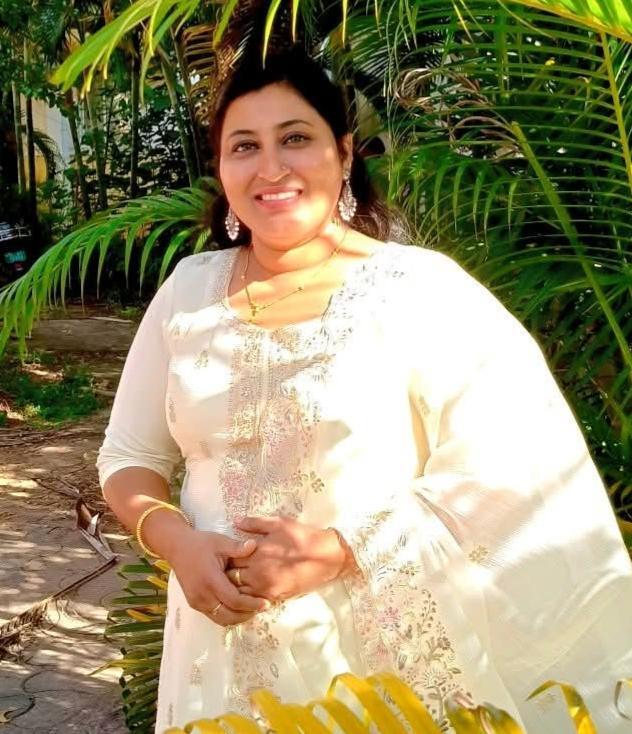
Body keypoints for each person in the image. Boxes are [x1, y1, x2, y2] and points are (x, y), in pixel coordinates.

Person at [96, 47, 632, 734]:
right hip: (215, 645)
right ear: (221, 169)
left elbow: (520, 466)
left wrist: (341, 547)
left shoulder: (418, 289)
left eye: (295, 138)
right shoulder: (188, 293)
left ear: (344, 154)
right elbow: (128, 456)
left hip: (375, 651)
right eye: (244, 146)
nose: (271, 167)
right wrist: (177, 543)